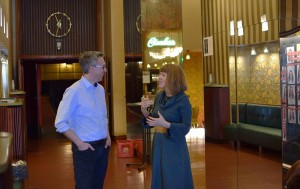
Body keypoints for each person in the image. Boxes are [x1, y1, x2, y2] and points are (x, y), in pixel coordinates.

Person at [55, 51, 111, 189]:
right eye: (102, 67)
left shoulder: (101, 89)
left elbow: (103, 116)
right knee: (84, 186)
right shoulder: (74, 91)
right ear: (91, 68)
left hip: (103, 147)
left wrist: (108, 136)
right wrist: (80, 144)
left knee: (98, 185)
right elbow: (60, 123)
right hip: (85, 149)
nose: (105, 70)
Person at [141, 64, 194, 189]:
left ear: (173, 78)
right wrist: (144, 110)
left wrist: (166, 124)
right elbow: (152, 121)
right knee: (160, 178)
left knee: (174, 178)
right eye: (159, 75)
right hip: (159, 144)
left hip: (174, 146)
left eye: (163, 75)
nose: (158, 77)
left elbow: (186, 127)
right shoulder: (159, 97)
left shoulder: (183, 100)